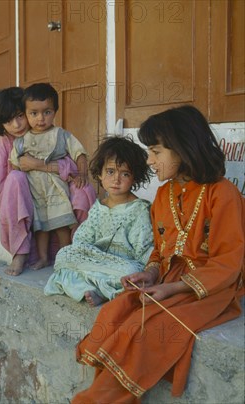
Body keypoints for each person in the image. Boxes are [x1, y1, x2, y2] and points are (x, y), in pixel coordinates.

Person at [73, 105, 244, 403]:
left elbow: (228, 263)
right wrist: (150, 273)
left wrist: (170, 288)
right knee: (114, 312)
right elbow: (159, 252)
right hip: (167, 280)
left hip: (209, 288)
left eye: (155, 151)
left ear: (183, 148)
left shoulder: (223, 193)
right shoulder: (164, 194)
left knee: (148, 329)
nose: (149, 161)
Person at [0, 87, 96, 276]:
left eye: (20, 115)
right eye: (8, 121)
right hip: (26, 198)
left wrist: (36, 164)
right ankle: (21, 252)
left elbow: (72, 165)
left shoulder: (52, 133)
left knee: (84, 189)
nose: (16, 125)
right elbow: (5, 186)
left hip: (57, 189)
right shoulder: (5, 145)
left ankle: (78, 249)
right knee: (16, 177)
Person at [44, 136, 153, 306]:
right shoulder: (98, 207)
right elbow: (83, 239)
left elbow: (144, 250)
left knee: (132, 272)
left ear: (134, 178)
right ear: (100, 174)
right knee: (64, 254)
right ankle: (101, 289)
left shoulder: (139, 210)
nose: (116, 180)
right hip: (96, 260)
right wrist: (89, 253)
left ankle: (98, 288)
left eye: (125, 174)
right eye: (110, 171)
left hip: (121, 266)